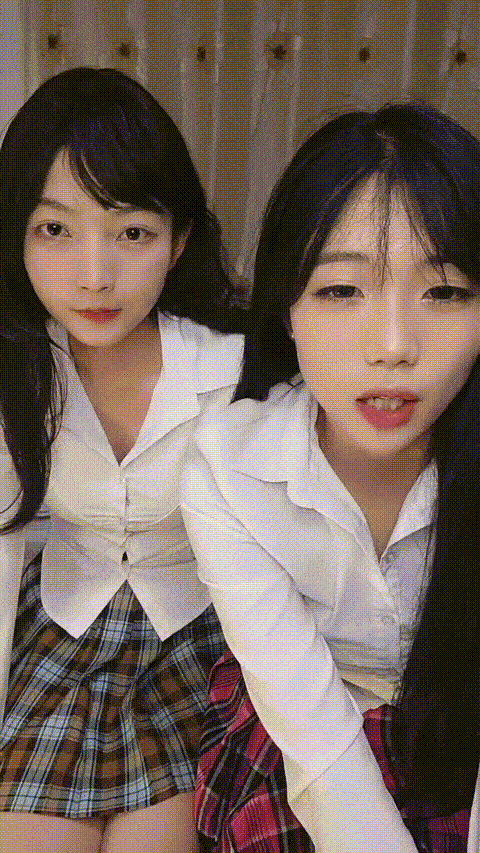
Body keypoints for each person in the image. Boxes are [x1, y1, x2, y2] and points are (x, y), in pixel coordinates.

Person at [181, 103, 480, 853]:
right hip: (308, 714)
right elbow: (315, 733)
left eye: (445, 291)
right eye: (342, 291)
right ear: (286, 309)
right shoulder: (228, 469)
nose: (393, 346)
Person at [0, 66, 244, 853]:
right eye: (55, 230)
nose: (94, 276)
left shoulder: (234, 372)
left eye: (131, 232)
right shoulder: (17, 367)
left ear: (178, 240)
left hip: (193, 641)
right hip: (60, 631)